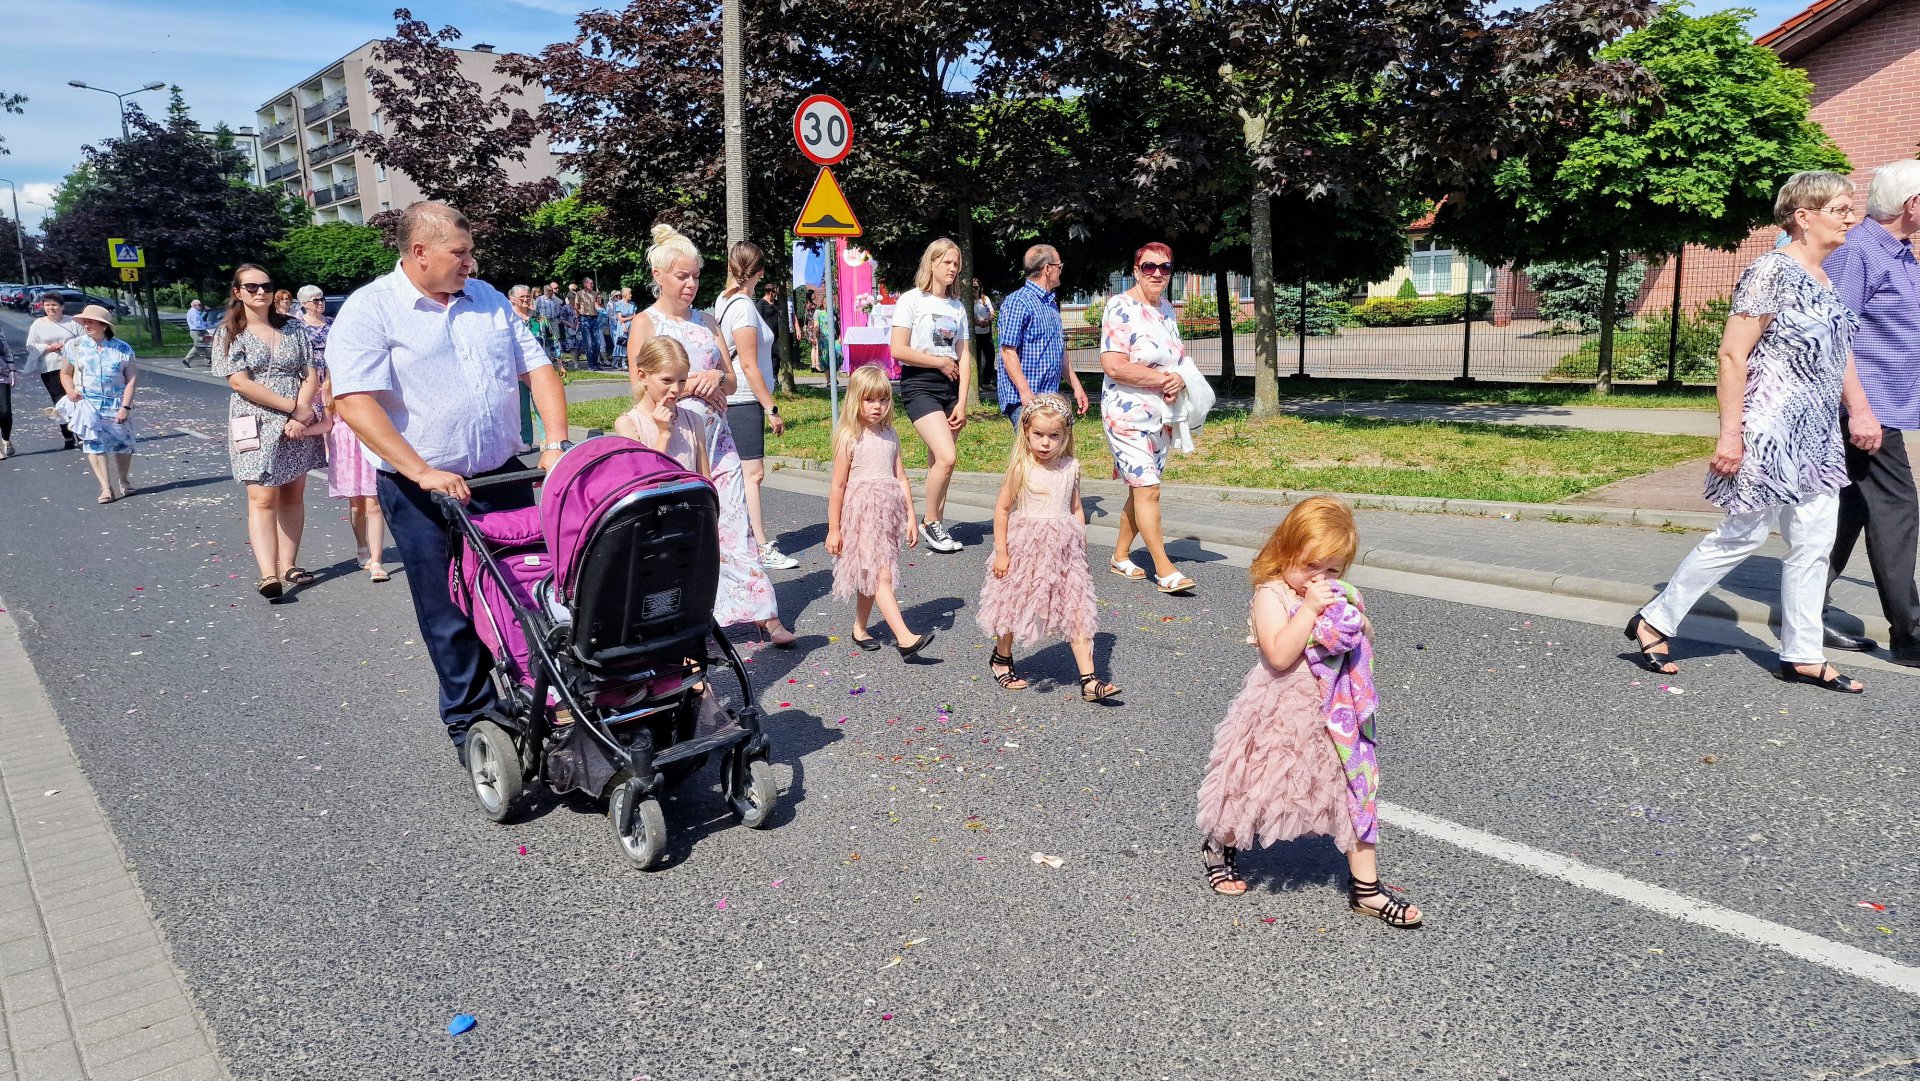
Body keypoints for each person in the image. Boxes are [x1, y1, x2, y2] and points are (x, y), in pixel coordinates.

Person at [328, 201, 571, 761]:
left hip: (500, 477)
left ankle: (538, 697)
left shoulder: (487, 299)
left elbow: (538, 369)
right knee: (449, 612)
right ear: (420, 253)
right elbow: (355, 402)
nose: (470, 262)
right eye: (459, 253)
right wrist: (422, 471)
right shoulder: (372, 309)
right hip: (421, 488)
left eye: (470, 252)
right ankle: (472, 721)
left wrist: (556, 443)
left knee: (526, 593)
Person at [1629, 171, 1877, 693]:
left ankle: (1803, 654)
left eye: (1850, 209)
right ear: (1803, 216)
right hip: (1770, 427)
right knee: (1741, 534)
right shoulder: (1771, 271)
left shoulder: (1825, 277)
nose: (1851, 219)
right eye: (1840, 209)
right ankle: (1656, 619)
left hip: (1817, 435)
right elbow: (1732, 354)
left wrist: (1859, 410)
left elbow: (1838, 354)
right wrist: (1730, 435)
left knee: (1815, 543)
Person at [1194, 497, 1419, 927]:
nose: (1320, 578)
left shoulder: (1338, 596)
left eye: (1332, 570)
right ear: (1285, 551)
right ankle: (1220, 846)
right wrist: (1313, 609)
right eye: (1310, 566)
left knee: (1354, 791)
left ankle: (1367, 890)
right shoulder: (1272, 594)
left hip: (1337, 714)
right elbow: (1279, 655)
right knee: (1254, 788)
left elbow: (1364, 640)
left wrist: (1358, 621)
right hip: (1280, 710)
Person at [627, 223, 794, 646]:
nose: (691, 284)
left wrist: (717, 376)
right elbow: (638, 390)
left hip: (718, 440)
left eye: (696, 276)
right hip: (674, 444)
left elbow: (732, 380)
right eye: (682, 276)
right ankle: (688, 618)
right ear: (659, 276)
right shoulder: (645, 323)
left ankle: (764, 613)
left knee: (736, 522)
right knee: (687, 533)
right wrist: (689, 385)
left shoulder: (707, 320)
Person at [1821, 160, 1920, 666]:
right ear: (1912, 204)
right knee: (1897, 510)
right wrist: (1858, 412)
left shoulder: (1899, 253)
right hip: (1865, 410)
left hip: (1883, 407)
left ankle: (1806, 608)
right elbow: (1834, 334)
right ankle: (1910, 635)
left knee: (1852, 509)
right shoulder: (1858, 252)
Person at [976, 392, 1116, 701]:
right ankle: (1001, 657)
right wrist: (1002, 552)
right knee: (1013, 603)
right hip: (1025, 547)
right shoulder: (1021, 467)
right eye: (1038, 434)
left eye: (1054, 436)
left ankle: (1089, 679)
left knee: (1077, 608)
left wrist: (1081, 549)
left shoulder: (1071, 467)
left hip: (1065, 551)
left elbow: (1076, 509)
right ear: (1026, 432)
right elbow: (1002, 509)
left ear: (1066, 436)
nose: (1045, 443)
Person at [212, 265, 328, 599]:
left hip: (297, 419)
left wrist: (302, 412)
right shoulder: (229, 332)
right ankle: (268, 574)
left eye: (265, 286)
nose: (260, 292)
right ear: (237, 292)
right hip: (255, 419)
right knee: (262, 496)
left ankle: (288, 564)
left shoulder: (293, 327)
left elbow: (310, 372)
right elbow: (239, 382)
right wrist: (292, 407)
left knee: (293, 490)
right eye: (251, 287)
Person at [1101, 242, 1194, 594]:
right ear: (1136, 271)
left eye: (1165, 267)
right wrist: (1162, 379)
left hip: (1161, 414)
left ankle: (1120, 556)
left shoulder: (1167, 309)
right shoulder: (1120, 306)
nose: (1157, 273)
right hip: (1126, 414)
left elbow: (1177, 362)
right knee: (1149, 489)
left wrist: (1178, 380)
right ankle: (1164, 569)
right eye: (1149, 267)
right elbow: (1113, 365)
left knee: (1141, 488)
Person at [826, 365, 935, 659]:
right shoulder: (849, 436)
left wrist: (911, 516)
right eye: (869, 399)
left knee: (872, 573)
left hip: (886, 516)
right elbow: (837, 486)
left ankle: (860, 628)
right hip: (861, 516)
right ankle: (905, 639)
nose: (877, 406)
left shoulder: (890, 434)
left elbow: (901, 477)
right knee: (881, 576)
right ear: (855, 400)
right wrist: (834, 529)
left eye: (883, 399)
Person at [715, 241, 799, 571]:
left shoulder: (724, 300)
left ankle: (739, 541)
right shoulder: (744, 307)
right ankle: (760, 546)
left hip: (734, 397)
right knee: (753, 474)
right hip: (744, 398)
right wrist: (771, 408)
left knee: (738, 473)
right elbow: (749, 366)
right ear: (760, 272)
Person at [890, 238, 972, 553]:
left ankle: (937, 524)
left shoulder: (957, 306)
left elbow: (964, 356)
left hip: (950, 385)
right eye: (947, 262)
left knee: (939, 461)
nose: (953, 268)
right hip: (920, 383)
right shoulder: (912, 300)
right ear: (932, 263)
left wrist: (962, 401)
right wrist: (938, 362)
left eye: (956, 263)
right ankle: (929, 521)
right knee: (948, 457)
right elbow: (898, 350)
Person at [48, 305, 137, 503]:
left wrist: (125, 406)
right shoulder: (75, 346)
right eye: (85, 322)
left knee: (123, 445)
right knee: (94, 445)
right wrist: (69, 389)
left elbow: (131, 380)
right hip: (88, 403)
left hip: (116, 403)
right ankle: (105, 487)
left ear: (104, 326)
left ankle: (124, 480)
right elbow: (65, 373)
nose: (86, 325)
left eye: (91, 322)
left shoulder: (123, 348)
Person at [998, 244, 1088, 428]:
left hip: (1048, 397)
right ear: (1047, 269)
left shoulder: (1050, 304)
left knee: (1053, 445)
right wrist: (1025, 393)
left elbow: (1059, 351)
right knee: (1038, 445)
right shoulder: (1018, 301)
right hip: (1024, 398)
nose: (1060, 271)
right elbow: (1007, 351)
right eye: (1059, 266)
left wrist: (1077, 386)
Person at [615, 337, 709, 473]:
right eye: (667, 380)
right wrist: (664, 434)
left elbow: (705, 478)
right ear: (643, 376)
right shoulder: (629, 424)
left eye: (682, 381)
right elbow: (643, 477)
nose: (676, 389)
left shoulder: (693, 421)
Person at [26, 295, 81, 449]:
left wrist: (67, 346)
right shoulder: (38, 324)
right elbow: (30, 345)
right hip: (49, 367)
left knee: (75, 397)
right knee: (59, 400)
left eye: (54, 305)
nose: (51, 308)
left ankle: (80, 433)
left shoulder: (72, 322)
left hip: (72, 365)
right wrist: (48, 347)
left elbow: (83, 340)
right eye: (47, 305)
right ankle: (67, 434)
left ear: (62, 307)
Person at [573, 276, 606, 370]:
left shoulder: (595, 294)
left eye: (592, 283)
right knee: (589, 343)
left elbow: (597, 305)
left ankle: (596, 363)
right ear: (585, 284)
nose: (592, 285)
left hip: (594, 318)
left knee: (597, 342)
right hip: (584, 318)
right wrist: (578, 317)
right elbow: (576, 306)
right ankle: (591, 365)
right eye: (590, 283)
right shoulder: (579, 294)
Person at [534, 281, 567, 361]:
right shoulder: (539, 299)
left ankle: (558, 357)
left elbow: (558, 309)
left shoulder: (554, 300)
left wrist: (557, 318)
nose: (552, 292)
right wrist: (538, 318)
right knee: (544, 338)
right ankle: (546, 356)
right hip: (543, 321)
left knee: (556, 338)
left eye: (552, 290)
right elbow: (535, 310)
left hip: (554, 320)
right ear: (545, 291)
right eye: (550, 290)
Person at [184, 298, 216, 365]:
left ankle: (208, 359)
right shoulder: (193, 313)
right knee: (199, 346)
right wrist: (204, 328)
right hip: (197, 331)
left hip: (198, 331)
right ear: (194, 305)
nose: (200, 306)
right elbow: (197, 324)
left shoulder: (195, 312)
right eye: (199, 305)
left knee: (206, 345)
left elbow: (201, 323)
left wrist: (207, 325)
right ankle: (186, 360)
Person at [608, 285, 637, 359]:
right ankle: (620, 361)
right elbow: (620, 319)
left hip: (631, 325)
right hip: (622, 326)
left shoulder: (633, 304)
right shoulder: (618, 304)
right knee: (622, 343)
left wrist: (629, 319)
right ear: (625, 295)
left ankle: (628, 360)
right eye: (629, 293)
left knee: (631, 343)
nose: (631, 295)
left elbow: (635, 316)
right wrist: (628, 320)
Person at [0, 330, 16, 459]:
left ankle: (6, 439)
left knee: (5, 411)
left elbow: (6, 350)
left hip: (1, 376)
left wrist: (11, 370)